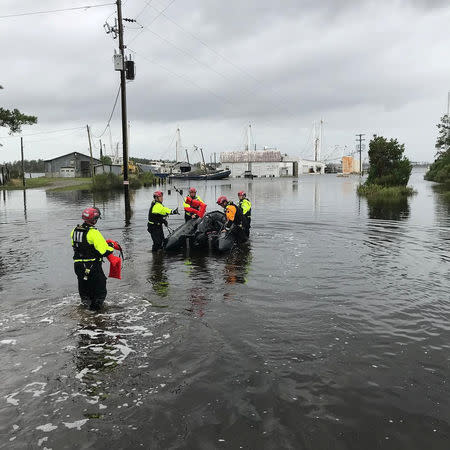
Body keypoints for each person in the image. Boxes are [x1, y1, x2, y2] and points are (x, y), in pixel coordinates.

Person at [71, 207, 120, 310]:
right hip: (92, 267)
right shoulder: (94, 232)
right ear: (94, 219)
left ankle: (85, 314)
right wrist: (111, 245)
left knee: (85, 291)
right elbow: (103, 251)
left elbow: (79, 246)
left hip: (78, 266)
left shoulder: (74, 231)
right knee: (99, 292)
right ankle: (97, 316)